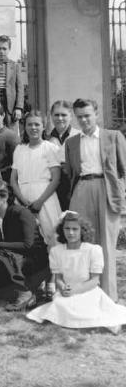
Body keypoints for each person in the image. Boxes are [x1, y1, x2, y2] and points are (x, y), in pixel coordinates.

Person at [64, 98, 126, 302]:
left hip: (106, 190)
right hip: (81, 189)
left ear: (96, 114)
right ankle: (84, 298)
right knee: (81, 244)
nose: (84, 120)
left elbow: (123, 170)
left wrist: (120, 193)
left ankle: (109, 300)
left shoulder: (113, 137)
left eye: (87, 115)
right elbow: (71, 173)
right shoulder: (71, 143)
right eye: (79, 117)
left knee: (106, 246)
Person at [27, 211, 126, 334]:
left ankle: (99, 322)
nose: (71, 232)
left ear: (82, 231)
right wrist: (63, 288)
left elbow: (95, 281)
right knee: (61, 306)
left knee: (86, 309)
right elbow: (58, 278)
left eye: (75, 229)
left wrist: (76, 289)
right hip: (66, 291)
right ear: (62, 230)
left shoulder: (93, 250)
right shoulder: (57, 251)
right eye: (67, 228)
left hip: (88, 290)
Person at [0, 180, 49, 311]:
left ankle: (24, 292)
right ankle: (32, 289)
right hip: (15, 259)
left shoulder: (21, 212)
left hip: (36, 261)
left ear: (4, 197)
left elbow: (29, 245)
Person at [10, 111, 62, 247]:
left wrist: (40, 201)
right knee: (27, 238)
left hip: (45, 197)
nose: (33, 128)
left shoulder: (50, 148)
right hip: (23, 197)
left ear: (44, 127)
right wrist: (22, 200)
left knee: (52, 235)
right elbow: (13, 180)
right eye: (29, 124)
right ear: (24, 127)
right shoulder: (19, 149)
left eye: (37, 124)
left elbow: (56, 178)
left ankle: (55, 267)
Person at [47, 100, 80, 210]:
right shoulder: (46, 139)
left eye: (64, 115)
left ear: (71, 116)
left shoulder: (79, 136)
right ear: (51, 116)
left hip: (75, 189)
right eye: (56, 115)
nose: (60, 118)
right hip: (53, 190)